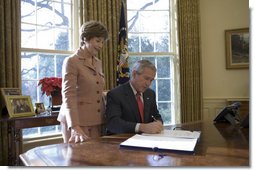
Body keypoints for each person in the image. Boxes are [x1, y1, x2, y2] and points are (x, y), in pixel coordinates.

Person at [57, 21, 109, 143]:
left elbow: (96, 90)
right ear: (85, 38)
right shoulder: (71, 61)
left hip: (97, 121)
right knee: (77, 160)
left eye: (102, 42)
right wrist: (74, 126)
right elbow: (68, 95)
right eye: (97, 41)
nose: (101, 45)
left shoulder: (98, 62)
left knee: (96, 159)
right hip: (77, 122)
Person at [105, 60, 164, 134]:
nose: (148, 83)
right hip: (122, 140)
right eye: (146, 78)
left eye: (151, 80)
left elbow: (156, 115)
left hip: (146, 140)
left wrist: (159, 122)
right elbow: (113, 123)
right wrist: (141, 127)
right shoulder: (116, 94)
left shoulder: (150, 94)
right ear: (134, 74)